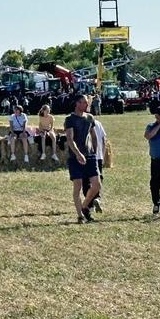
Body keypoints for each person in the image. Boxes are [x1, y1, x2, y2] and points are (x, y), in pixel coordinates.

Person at [64, 95, 100, 223]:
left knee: (97, 185)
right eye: (84, 102)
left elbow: (94, 136)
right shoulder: (70, 119)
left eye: (87, 102)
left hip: (90, 156)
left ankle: (84, 206)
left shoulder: (90, 118)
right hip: (75, 157)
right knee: (77, 186)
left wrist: (95, 151)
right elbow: (70, 139)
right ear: (77, 103)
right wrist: (78, 154)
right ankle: (80, 216)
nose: (86, 105)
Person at [83, 116, 107, 213]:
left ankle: (89, 204)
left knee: (86, 181)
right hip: (99, 156)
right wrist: (103, 155)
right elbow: (104, 140)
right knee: (98, 178)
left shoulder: (83, 123)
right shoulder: (98, 123)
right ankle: (97, 198)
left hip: (88, 156)